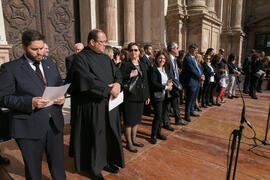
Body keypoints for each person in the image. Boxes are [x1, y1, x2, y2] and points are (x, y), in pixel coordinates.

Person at [0, 30, 66, 180]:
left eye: (42, 48)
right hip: (28, 126)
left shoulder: (50, 64)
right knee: (34, 171)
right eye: (34, 49)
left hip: (54, 124)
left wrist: (61, 99)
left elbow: (58, 85)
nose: (40, 53)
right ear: (24, 47)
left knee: (58, 167)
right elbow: (3, 98)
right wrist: (30, 102)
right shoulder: (10, 68)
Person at [68, 29, 124, 180]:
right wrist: (107, 90)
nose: (106, 44)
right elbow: (87, 80)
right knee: (95, 137)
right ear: (92, 42)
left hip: (109, 104)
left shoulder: (105, 58)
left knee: (108, 134)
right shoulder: (80, 59)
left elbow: (117, 73)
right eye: (102, 41)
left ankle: (106, 161)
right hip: (92, 106)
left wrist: (118, 84)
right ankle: (94, 167)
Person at [120, 42, 150, 153]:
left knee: (136, 120)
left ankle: (134, 139)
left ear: (139, 52)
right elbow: (119, 78)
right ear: (128, 52)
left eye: (135, 50)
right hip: (130, 97)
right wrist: (129, 75)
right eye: (131, 50)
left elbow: (146, 81)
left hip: (140, 96)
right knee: (129, 121)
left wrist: (147, 95)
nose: (133, 52)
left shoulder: (143, 64)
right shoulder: (125, 65)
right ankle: (129, 143)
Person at [150, 50, 173, 144]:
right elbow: (153, 83)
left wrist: (170, 83)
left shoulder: (165, 69)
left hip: (166, 95)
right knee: (158, 115)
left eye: (163, 58)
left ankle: (159, 133)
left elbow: (169, 78)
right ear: (156, 59)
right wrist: (165, 87)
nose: (162, 60)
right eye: (160, 58)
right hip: (158, 95)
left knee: (162, 115)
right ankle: (153, 135)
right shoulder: (153, 69)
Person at [183, 44, 204, 122]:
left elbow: (198, 67)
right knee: (189, 99)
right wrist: (200, 76)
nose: (196, 52)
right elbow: (192, 70)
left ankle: (191, 111)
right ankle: (187, 114)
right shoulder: (187, 58)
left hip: (196, 81)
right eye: (195, 50)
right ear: (191, 50)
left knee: (194, 98)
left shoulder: (194, 58)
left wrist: (202, 74)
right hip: (191, 81)